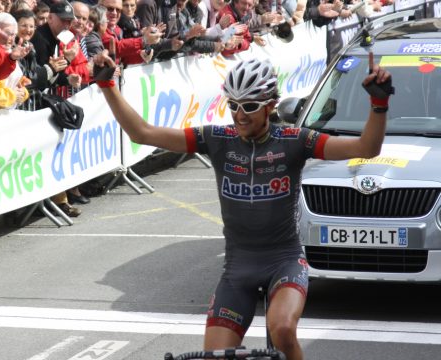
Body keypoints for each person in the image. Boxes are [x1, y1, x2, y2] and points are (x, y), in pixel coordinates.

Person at [92, 55, 393, 360]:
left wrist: (378, 106)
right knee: (215, 355)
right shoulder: (217, 139)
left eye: (249, 106)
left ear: (270, 105)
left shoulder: (294, 141)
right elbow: (142, 133)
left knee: (283, 331)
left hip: (284, 261)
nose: (239, 114)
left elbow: (366, 148)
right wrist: (107, 86)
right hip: (238, 268)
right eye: (232, 105)